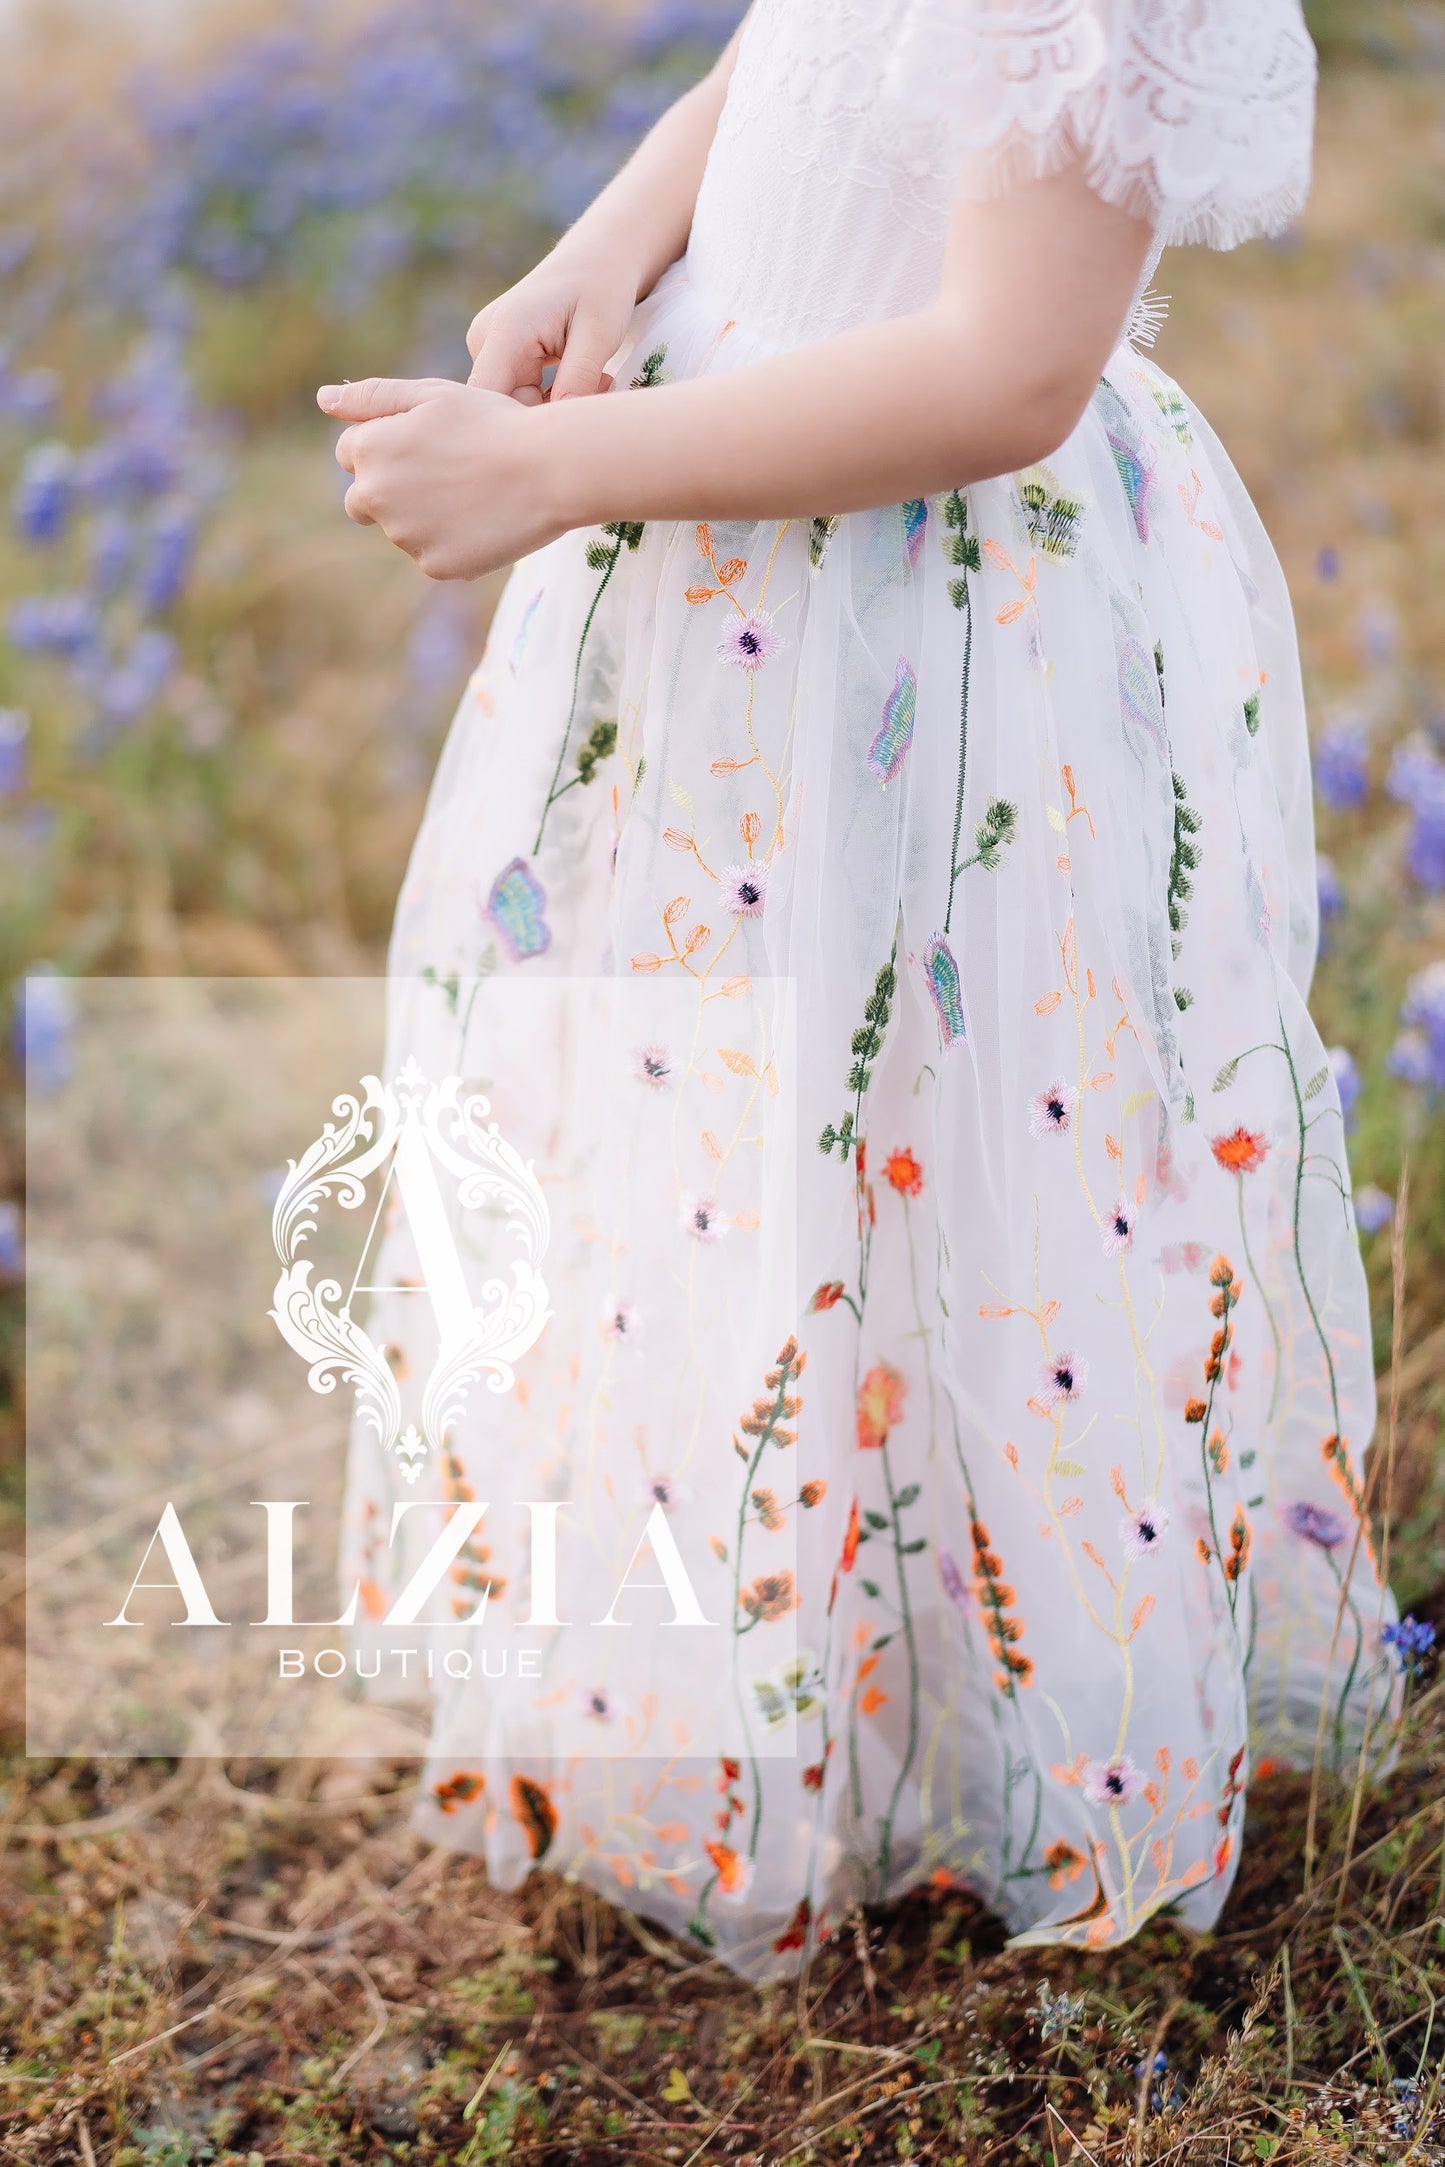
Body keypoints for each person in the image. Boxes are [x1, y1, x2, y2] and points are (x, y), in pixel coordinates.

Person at [321, 0, 1398, 1978]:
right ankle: (751, 1677)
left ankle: (959, 1730)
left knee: (948, 1157)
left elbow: (1005, 372)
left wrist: (563, 470)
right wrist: (600, 254)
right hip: (726, 558)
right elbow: (786, 56)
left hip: (922, 606)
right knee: (715, 1153)